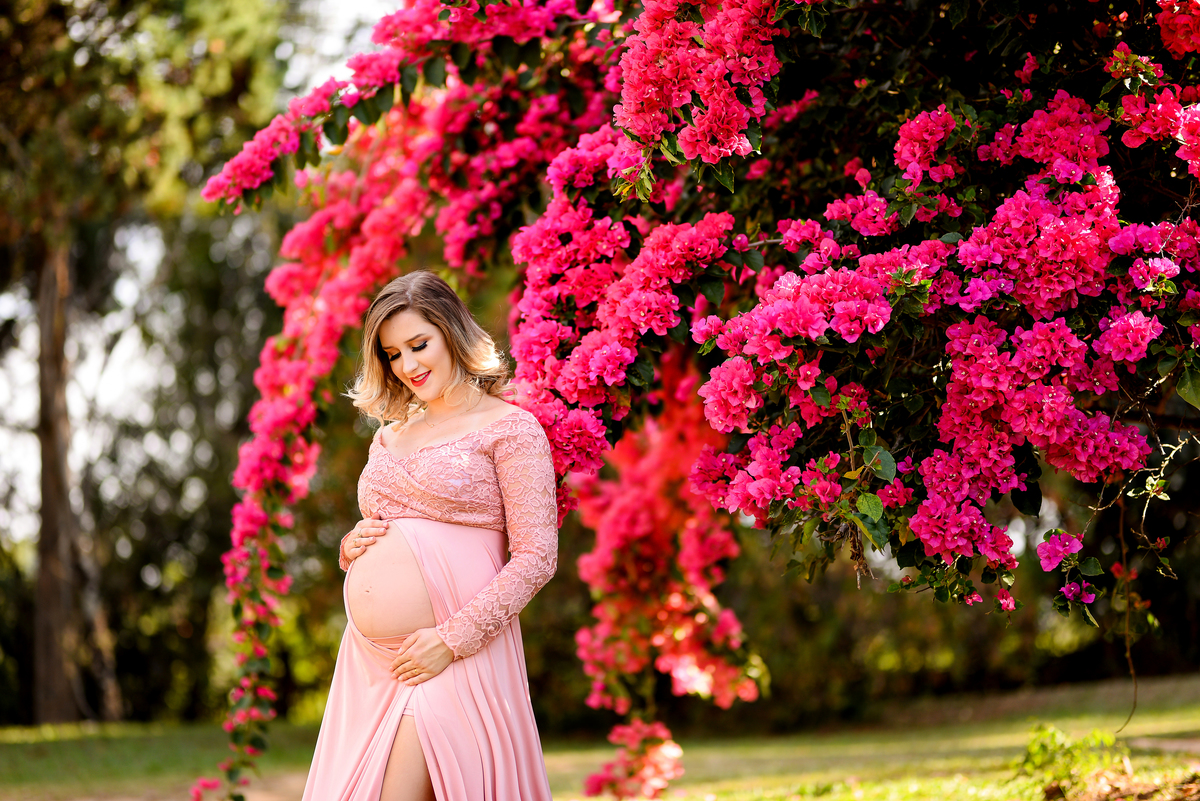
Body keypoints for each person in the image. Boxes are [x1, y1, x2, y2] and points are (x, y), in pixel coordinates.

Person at [301, 270, 559, 801]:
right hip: (372, 662)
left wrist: (451, 639)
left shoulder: (510, 429)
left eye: (419, 345)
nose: (409, 366)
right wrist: (353, 546)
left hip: (453, 650)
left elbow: (536, 557)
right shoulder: (388, 436)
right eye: (394, 354)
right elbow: (392, 523)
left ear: (453, 332)